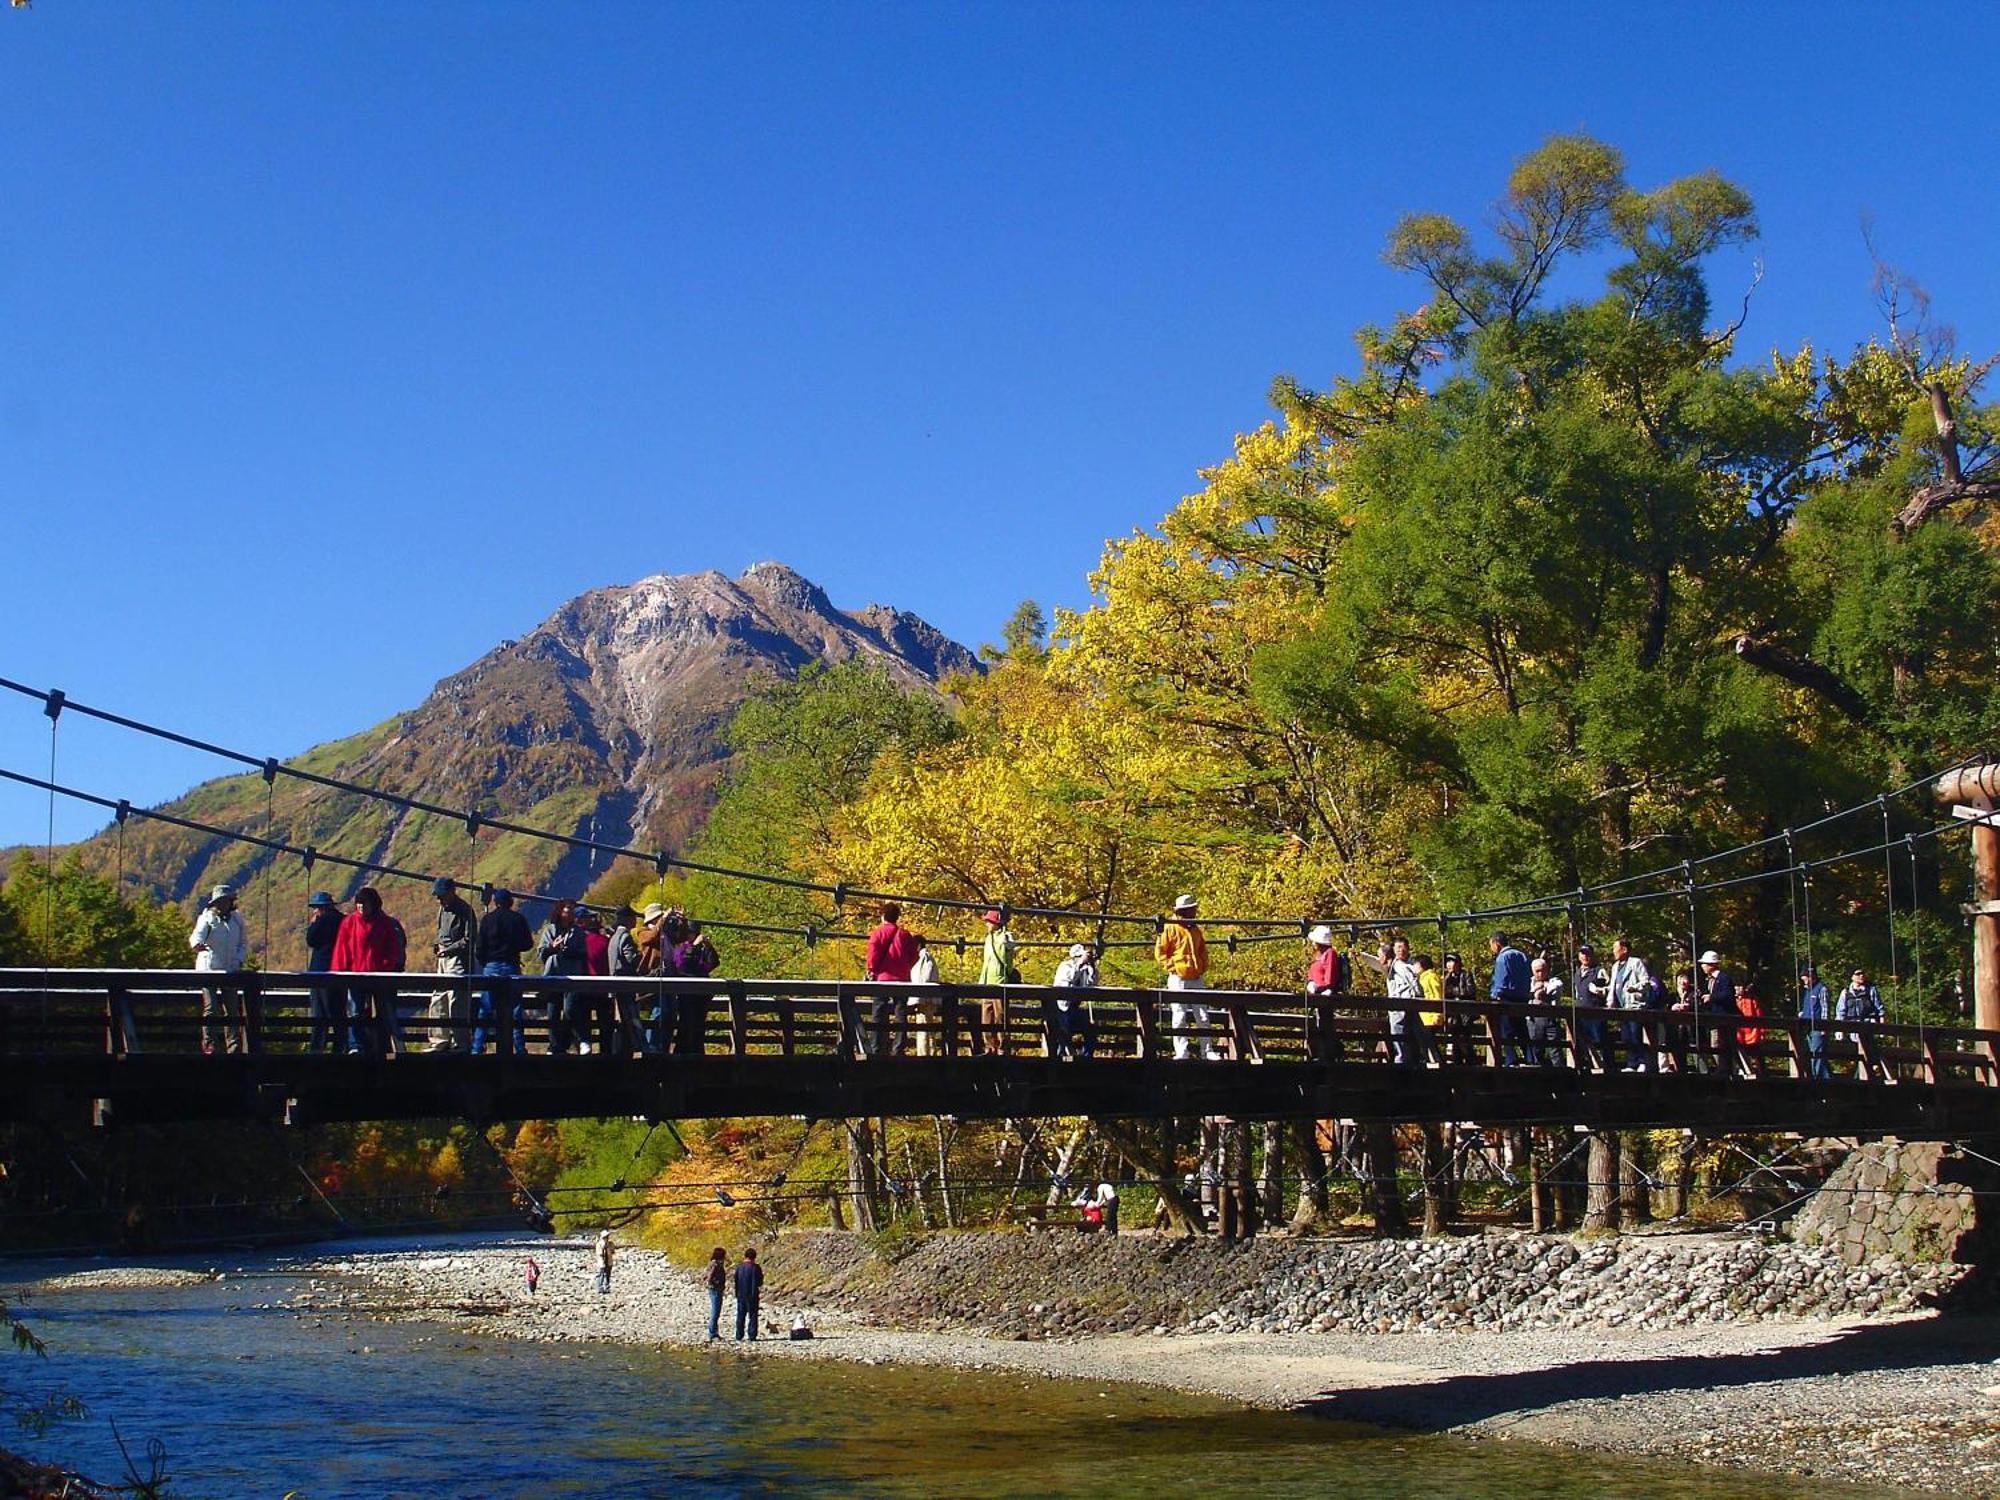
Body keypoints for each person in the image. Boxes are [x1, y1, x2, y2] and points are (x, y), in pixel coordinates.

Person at [330, 887, 405, 1057]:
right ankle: (355, 1045)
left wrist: (385, 966)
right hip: (356, 975)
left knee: (383, 1010)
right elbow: (342, 948)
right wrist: (340, 971)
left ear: (373, 904)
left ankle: (381, 1045)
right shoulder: (349, 922)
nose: (361, 907)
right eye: (359, 904)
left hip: (378, 975)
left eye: (364, 903)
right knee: (355, 1011)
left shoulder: (384, 922)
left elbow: (392, 949)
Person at [189, 883, 249, 1056]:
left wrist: (238, 960)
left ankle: (234, 1047)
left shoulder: (237, 920)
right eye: (221, 901)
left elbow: (243, 944)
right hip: (208, 969)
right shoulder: (207, 918)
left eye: (226, 900)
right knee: (211, 1007)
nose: (223, 904)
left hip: (229, 970)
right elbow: (196, 937)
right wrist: (197, 945)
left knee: (231, 1009)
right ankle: (209, 1044)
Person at [474, 889, 534, 1056]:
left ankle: (477, 1048)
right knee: (515, 1009)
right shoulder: (518, 919)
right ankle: (520, 1049)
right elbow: (527, 944)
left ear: (495, 902)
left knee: (485, 1009)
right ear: (511, 902)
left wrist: (485, 961)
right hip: (511, 965)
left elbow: (479, 948)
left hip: (491, 966)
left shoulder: (487, 920)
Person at [1156, 894, 1211, 1061]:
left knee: (1202, 1015)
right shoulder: (1170, 928)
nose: (1195, 911)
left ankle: (1207, 1051)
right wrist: (1175, 968)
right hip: (1178, 978)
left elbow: (1203, 951)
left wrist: (1201, 967)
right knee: (1179, 1015)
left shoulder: (1195, 929)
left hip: (1196, 977)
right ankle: (1181, 1052)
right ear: (1184, 910)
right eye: (1192, 908)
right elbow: (1161, 953)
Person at [427, 877, 476, 1054]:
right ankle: (439, 1040)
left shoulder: (465, 911)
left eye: (441, 896)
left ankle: (460, 1042)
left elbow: (470, 940)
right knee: (438, 998)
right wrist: (437, 945)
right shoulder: (443, 909)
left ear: (451, 893)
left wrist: (449, 949)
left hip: (458, 960)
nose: (439, 899)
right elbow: (440, 932)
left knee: (457, 1000)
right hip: (443, 959)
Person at [862, 902, 918, 1057]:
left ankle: (877, 1047)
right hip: (902, 978)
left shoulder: (878, 933)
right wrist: (906, 967)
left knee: (879, 1013)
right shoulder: (905, 935)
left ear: (882, 916)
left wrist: (871, 970)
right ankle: (898, 1047)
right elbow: (915, 956)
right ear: (897, 917)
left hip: (883, 978)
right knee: (901, 1012)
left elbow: (872, 956)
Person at [1358, 937, 1425, 1065]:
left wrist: (1420, 997)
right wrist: (1361, 955)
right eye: (1398, 947)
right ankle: (1403, 1061)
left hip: (1410, 1005)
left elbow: (1417, 983)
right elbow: (1376, 962)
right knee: (1400, 1035)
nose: (1401, 950)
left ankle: (1410, 1061)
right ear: (1394, 950)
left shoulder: (1412, 964)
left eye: (1403, 947)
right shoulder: (1392, 966)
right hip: (1399, 1008)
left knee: (1412, 1035)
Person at [537, 899, 591, 1055]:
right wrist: (552, 948)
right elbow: (542, 953)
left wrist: (567, 951)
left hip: (572, 976)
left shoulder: (578, 932)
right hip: (552, 974)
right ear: (560, 911)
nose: (571, 913)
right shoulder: (550, 930)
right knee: (553, 1011)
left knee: (570, 1010)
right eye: (568, 910)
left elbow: (582, 953)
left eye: (573, 910)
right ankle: (554, 1046)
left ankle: (569, 1042)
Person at [304, 891, 345, 1054]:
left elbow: (311, 940)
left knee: (319, 1014)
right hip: (339, 970)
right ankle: (340, 1047)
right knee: (337, 1011)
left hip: (320, 971)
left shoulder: (322, 921)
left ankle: (316, 1048)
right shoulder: (343, 920)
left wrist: (313, 924)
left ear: (321, 908)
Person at [1605, 938, 1654, 1073]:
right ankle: (1631, 1063)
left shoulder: (1635, 962)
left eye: (1616, 948)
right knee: (1626, 1036)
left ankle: (1642, 1061)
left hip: (1635, 1004)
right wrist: (1610, 1002)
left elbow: (1646, 982)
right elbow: (1613, 986)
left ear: (1624, 949)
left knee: (1635, 1034)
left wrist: (1635, 988)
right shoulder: (1615, 966)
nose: (1614, 951)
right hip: (1622, 1006)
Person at [671, 920, 720, 1056]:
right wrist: (695, 946)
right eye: (691, 932)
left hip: (701, 995)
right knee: (686, 1024)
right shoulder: (680, 947)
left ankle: (697, 1052)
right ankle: (682, 1052)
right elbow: (683, 965)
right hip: (686, 994)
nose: (692, 935)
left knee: (699, 1025)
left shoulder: (700, 950)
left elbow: (713, 963)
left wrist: (709, 947)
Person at [976, 908, 1018, 1057]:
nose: (987, 924)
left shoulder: (1005, 936)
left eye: (989, 921)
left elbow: (1012, 946)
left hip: (1000, 982)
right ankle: (989, 1046)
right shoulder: (988, 938)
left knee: (1001, 1016)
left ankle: (1002, 1047)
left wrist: (1008, 943)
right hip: (988, 981)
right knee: (986, 1017)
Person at [1487, 932, 1531, 1066]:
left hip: (1507, 998)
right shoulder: (1521, 955)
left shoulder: (1502, 958)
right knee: (1522, 1029)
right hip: (1522, 998)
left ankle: (1511, 1058)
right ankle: (1530, 1058)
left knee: (1506, 1031)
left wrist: (1495, 995)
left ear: (1497, 944)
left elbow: (1502, 979)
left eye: (1491, 945)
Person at [605, 904, 644, 1056]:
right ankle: (636, 1048)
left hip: (615, 986)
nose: (635, 920)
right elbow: (632, 959)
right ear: (626, 919)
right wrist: (641, 954)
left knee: (621, 1020)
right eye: (633, 917)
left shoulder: (614, 937)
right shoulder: (625, 937)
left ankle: (622, 1050)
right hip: (625, 986)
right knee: (631, 1017)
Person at [1050, 942, 1098, 1060]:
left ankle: (1086, 1056)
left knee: (1091, 1029)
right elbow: (1070, 978)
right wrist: (1080, 964)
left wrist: (1092, 966)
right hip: (1061, 1008)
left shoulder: (1085, 969)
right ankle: (1061, 1053)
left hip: (1074, 1008)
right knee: (1063, 1028)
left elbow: (1092, 983)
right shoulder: (1065, 966)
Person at [1838, 967, 1885, 1080]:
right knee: (1855, 1054)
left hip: (1868, 1025)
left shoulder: (1871, 990)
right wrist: (1840, 1030)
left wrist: (1882, 1027)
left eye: (1863, 973)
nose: (1861, 976)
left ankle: (1862, 1077)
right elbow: (1840, 1012)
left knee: (1867, 1052)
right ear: (1852, 977)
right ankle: (1859, 1076)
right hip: (1852, 1028)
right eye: (1858, 974)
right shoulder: (1846, 992)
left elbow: (1880, 1010)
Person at [1304, 925, 1343, 1061]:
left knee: (1325, 1023)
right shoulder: (1318, 955)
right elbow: (1312, 972)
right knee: (1319, 1022)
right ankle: (1321, 1052)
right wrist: (1310, 982)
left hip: (1324, 995)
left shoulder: (1330, 953)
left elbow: (1330, 977)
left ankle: (1328, 1054)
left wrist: (1319, 988)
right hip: (1316, 995)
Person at [1697, 950, 1737, 1077]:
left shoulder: (1723, 978)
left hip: (1724, 1018)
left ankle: (1725, 1070)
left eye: (1704, 964)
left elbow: (1728, 996)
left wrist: (1712, 997)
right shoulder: (1709, 980)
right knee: (1716, 1043)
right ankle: (1722, 1069)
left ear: (1711, 965)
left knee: (1721, 1044)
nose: (1702, 966)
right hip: (1714, 1018)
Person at [1571, 943, 1610, 1070]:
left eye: (1588, 954)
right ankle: (1586, 1065)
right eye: (1583, 953)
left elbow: (1609, 988)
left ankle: (1603, 1067)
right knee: (1582, 1042)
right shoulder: (1577, 973)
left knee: (1598, 1041)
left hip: (1595, 1013)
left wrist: (1599, 991)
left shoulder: (1599, 971)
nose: (1585, 957)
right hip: (1581, 1013)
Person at [1441, 952, 1479, 1064]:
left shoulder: (1466, 975)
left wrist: (1455, 992)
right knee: (1454, 1038)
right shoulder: (1447, 978)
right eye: (1447, 962)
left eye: (1451, 961)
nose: (1449, 964)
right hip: (1453, 1015)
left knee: (1464, 1039)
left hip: (1465, 1013)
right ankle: (1457, 1062)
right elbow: (1444, 993)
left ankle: (1470, 1061)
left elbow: (1470, 991)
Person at [1526, 956, 1565, 1066]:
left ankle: (1560, 1074)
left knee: (1555, 1049)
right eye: (1537, 971)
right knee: (1536, 1049)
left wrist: (1543, 988)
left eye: (1543, 970)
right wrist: (1534, 991)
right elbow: (1526, 994)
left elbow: (1556, 988)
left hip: (1550, 1019)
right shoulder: (1529, 982)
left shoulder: (1554, 981)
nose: (1541, 973)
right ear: (1533, 971)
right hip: (1533, 1020)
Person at [908, 935, 940, 1057]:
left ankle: (925, 1054)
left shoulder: (925, 958)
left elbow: (925, 979)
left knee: (924, 1027)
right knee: (926, 1027)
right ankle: (928, 1053)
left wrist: (921, 997)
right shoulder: (924, 958)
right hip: (925, 998)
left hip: (925, 999)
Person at [1799, 963, 1832, 1081]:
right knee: (1812, 1053)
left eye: (1806, 979)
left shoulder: (1821, 989)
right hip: (1807, 1027)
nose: (1805, 982)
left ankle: (1818, 1079)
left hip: (1818, 1028)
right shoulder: (1807, 991)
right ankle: (1826, 1078)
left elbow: (1825, 1008)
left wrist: (1824, 1026)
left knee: (1816, 1053)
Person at [733, 1247, 763, 1341]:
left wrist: (736, 1293)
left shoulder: (739, 1267)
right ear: (754, 1257)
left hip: (740, 1294)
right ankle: (752, 1335)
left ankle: (739, 1335)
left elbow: (736, 1280)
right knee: (753, 1315)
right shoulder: (755, 1268)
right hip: (752, 1294)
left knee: (740, 1315)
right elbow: (760, 1282)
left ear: (745, 1256)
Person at [704, 1246, 727, 1341]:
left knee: (715, 1310)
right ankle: (712, 1333)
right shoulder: (716, 1265)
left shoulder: (711, 1263)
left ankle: (714, 1332)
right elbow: (710, 1277)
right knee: (715, 1311)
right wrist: (716, 1283)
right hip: (716, 1289)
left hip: (712, 1289)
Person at [595, 1229, 614, 1295]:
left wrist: (609, 1247)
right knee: (601, 1275)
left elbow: (613, 1251)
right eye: (606, 1236)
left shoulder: (610, 1244)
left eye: (607, 1236)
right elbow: (599, 1253)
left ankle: (607, 1287)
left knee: (608, 1275)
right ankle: (599, 1288)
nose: (607, 1238)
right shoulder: (599, 1244)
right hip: (602, 1262)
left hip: (609, 1261)